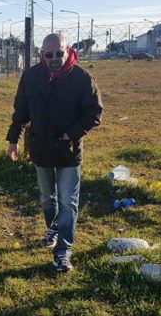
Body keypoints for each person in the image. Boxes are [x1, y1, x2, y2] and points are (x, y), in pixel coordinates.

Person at [6, 33, 103, 272]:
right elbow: (21, 111)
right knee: (47, 199)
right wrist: (13, 140)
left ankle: (62, 251)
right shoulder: (30, 77)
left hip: (68, 152)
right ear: (41, 54)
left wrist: (70, 135)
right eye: (49, 54)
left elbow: (94, 113)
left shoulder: (82, 78)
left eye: (59, 53)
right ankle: (53, 230)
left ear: (67, 50)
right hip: (40, 150)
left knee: (67, 202)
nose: (54, 59)